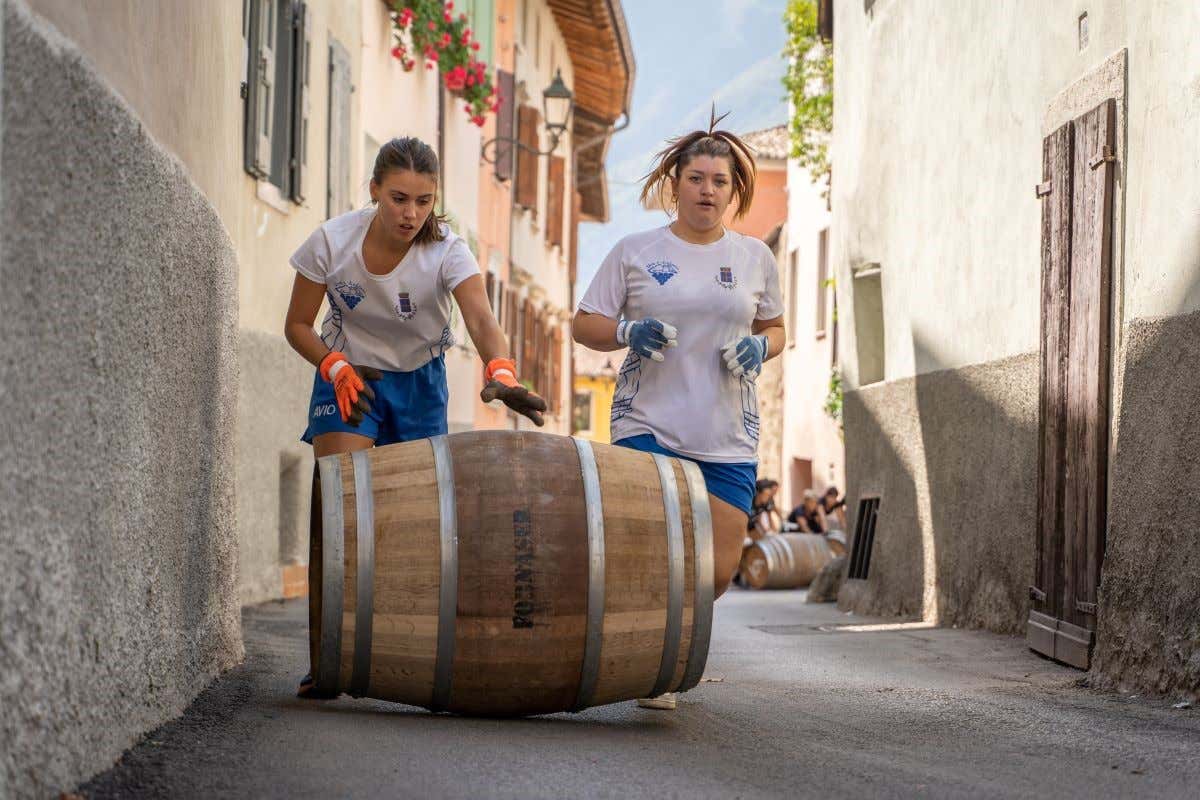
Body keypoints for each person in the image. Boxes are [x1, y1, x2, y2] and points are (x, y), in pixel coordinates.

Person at [284, 137, 546, 698]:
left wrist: (501, 371)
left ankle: (410, 655)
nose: (410, 214)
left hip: (421, 382)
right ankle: (326, 660)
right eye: (399, 198)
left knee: (415, 527)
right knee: (339, 514)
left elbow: (481, 317)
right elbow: (298, 325)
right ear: (374, 190)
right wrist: (333, 366)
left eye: (423, 201)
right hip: (350, 376)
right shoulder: (331, 241)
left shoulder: (448, 251)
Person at [572, 111, 785, 709]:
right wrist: (626, 331)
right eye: (696, 178)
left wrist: (761, 346)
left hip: (726, 432)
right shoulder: (635, 251)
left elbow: (776, 328)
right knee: (657, 553)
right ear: (676, 183)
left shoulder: (754, 258)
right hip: (648, 423)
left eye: (719, 181)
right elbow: (584, 324)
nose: (707, 190)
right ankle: (655, 666)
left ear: (733, 190)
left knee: (715, 573)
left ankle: (660, 646)